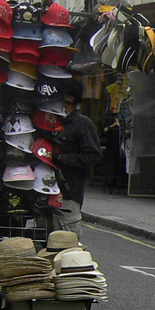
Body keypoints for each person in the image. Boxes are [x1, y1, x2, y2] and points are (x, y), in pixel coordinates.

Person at [49, 80, 103, 238]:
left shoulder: (83, 124)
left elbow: (93, 155)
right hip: (47, 190)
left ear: (69, 98)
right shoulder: (52, 121)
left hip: (68, 193)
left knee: (66, 241)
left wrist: (61, 157)